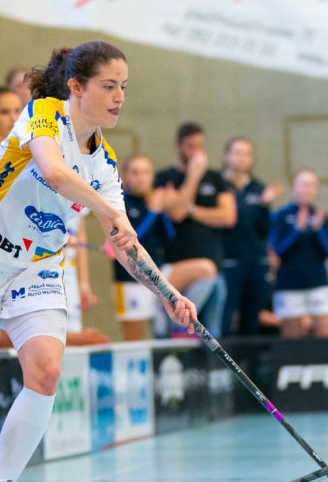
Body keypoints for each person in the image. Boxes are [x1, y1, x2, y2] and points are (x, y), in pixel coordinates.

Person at [0, 41, 196, 482]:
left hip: (36, 267)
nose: (119, 97)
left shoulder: (106, 165)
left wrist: (169, 294)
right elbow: (54, 172)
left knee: (47, 371)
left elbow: (125, 244)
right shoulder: (43, 116)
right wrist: (108, 210)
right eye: (108, 86)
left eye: (124, 87)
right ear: (76, 87)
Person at [155, 123, 236, 334]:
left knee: (212, 329)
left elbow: (227, 217)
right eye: (190, 146)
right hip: (178, 264)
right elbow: (177, 214)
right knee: (180, 322)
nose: (195, 152)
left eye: (200, 146)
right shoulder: (166, 178)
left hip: (213, 263)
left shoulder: (215, 178)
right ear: (178, 145)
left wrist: (190, 208)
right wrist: (193, 177)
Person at [108, 155, 174, 341]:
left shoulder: (151, 201)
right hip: (129, 279)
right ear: (125, 176)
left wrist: (163, 211)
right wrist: (152, 213)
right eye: (135, 173)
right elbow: (128, 238)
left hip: (156, 272)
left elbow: (169, 237)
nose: (141, 178)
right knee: (134, 339)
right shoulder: (118, 203)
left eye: (146, 172)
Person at [220, 137, 281, 335]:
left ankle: (249, 355)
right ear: (227, 155)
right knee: (226, 314)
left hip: (256, 260)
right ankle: (224, 354)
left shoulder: (258, 188)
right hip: (228, 260)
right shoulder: (220, 185)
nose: (242, 158)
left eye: (246, 154)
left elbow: (264, 229)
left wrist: (264, 205)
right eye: (237, 153)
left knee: (252, 316)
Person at [269, 169, 328, 338]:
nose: (308, 189)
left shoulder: (321, 216)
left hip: (318, 281)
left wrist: (317, 231)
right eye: (304, 185)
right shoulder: (280, 216)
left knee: (327, 336)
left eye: (312, 185)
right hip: (289, 284)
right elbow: (278, 251)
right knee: (292, 339)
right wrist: (298, 230)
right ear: (294, 187)